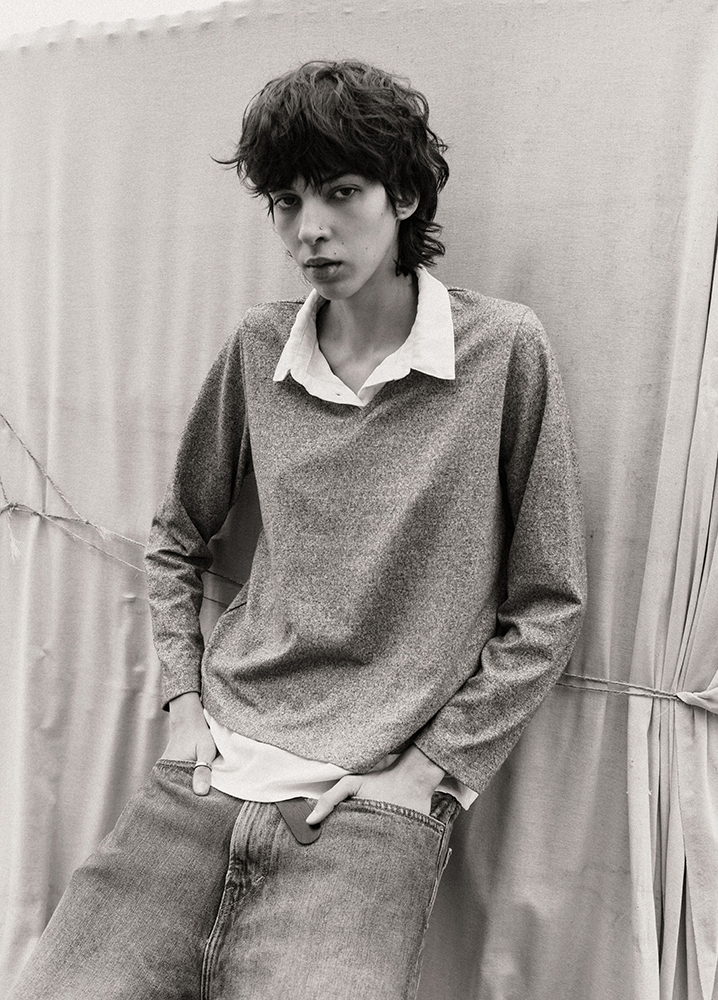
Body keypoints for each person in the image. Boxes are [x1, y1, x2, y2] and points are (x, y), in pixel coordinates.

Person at [12, 59, 587, 1000]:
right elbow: (177, 536)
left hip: (370, 805)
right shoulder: (258, 348)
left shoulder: (501, 350)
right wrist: (185, 710)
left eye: (340, 192)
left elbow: (548, 602)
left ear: (403, 196)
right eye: (285, 202)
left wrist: (432, 771)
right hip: (203, 781)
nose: (308, 228)